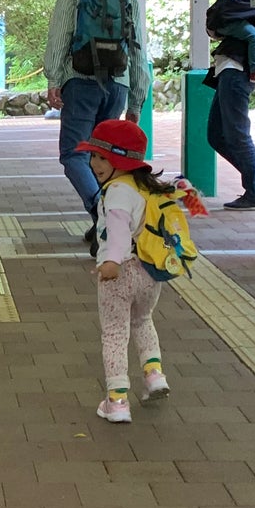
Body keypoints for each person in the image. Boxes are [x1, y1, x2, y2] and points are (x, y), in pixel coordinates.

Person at [44, 0, 150, 245]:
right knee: (102, 157)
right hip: (117, 85)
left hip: (81, 81)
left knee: (74, 154)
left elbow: (60, 35)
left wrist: (53, 78)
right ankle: (104, 219)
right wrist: (136, 101)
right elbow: (138, 50)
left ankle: (104, 215)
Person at [79, 118, 177, 425]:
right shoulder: (144, 187)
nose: (94, 163)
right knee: (143, 320)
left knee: (114, 333)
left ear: (121, 160)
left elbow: (119, 232)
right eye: (93, 156)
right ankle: (154, 374)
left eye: (102, 157)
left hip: (119, 273)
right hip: (149, 271)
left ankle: (117, 401)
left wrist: (112, 262)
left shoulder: (117, 192)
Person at [205, 41, 255, 211]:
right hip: (230, 71)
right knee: (217, 136)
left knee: (238, 136)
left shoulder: (247, 24)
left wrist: (215, 28)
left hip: (236, 71)